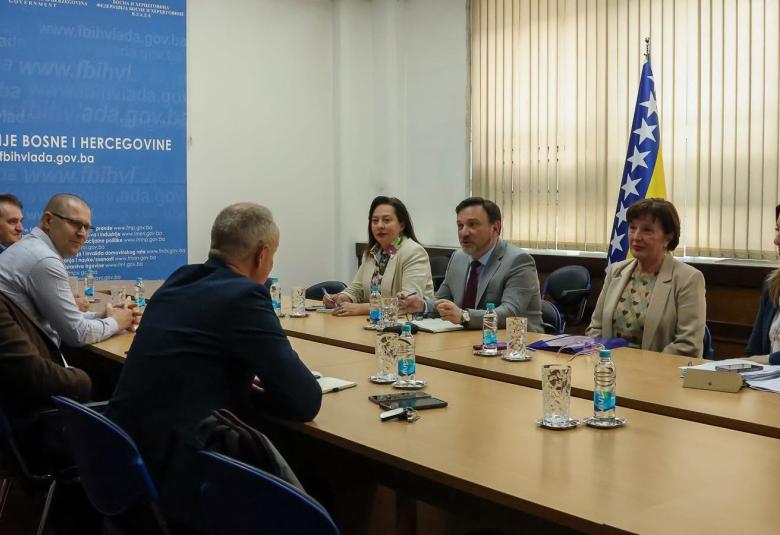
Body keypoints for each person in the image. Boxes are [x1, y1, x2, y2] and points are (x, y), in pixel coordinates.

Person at [106, 202, 322, 528]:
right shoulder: (244, 296)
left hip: (124, 464)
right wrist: (255, 394)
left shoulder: (179, 279)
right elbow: (305, 400)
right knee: (317, 481)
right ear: (262, 254)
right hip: (179, 481)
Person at [0, 193, 136, 348]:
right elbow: (77, 334)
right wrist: (117, 322)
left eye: (87, 227)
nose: (82, 234)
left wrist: (104, 316)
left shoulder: (31, 247)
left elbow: (63, 320)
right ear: (48, 221)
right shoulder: (43, 259)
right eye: (75, 223)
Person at [398, 197, 543, 331]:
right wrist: (421, 305)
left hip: (516, 343)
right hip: (467, 339)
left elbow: (510, 313)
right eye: (460, 225)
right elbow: (442, 300)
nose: (464, 233)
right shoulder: (458, 257)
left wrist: (464, 316)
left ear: (496, 228)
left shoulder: (518, 261)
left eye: (473, 224)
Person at [586, 198, 705, 357]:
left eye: (647, 230)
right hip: (609, 366)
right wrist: (605, 361)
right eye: (632, 228)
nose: (636, 237)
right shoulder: (616, 271)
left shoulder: (688, 279)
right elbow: (595, 328)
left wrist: (641, 365)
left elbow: (688, 344)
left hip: (660, 370)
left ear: (668, 237)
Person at [324, 196, 434, 316]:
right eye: (375, 221)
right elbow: (357, 289)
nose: (380, 225)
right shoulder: (373, 252)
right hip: (374, 322)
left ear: (402, 225)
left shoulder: (414, 252)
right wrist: (340, 298)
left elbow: (408, 303)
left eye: (386, 220)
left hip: (408, 323)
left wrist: (361, 308)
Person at [746, 204, 780, 365]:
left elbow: (760, 358)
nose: (776, 240)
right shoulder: (772, 284)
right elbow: (754, 350)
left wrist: (769, 359)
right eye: (777, 230)